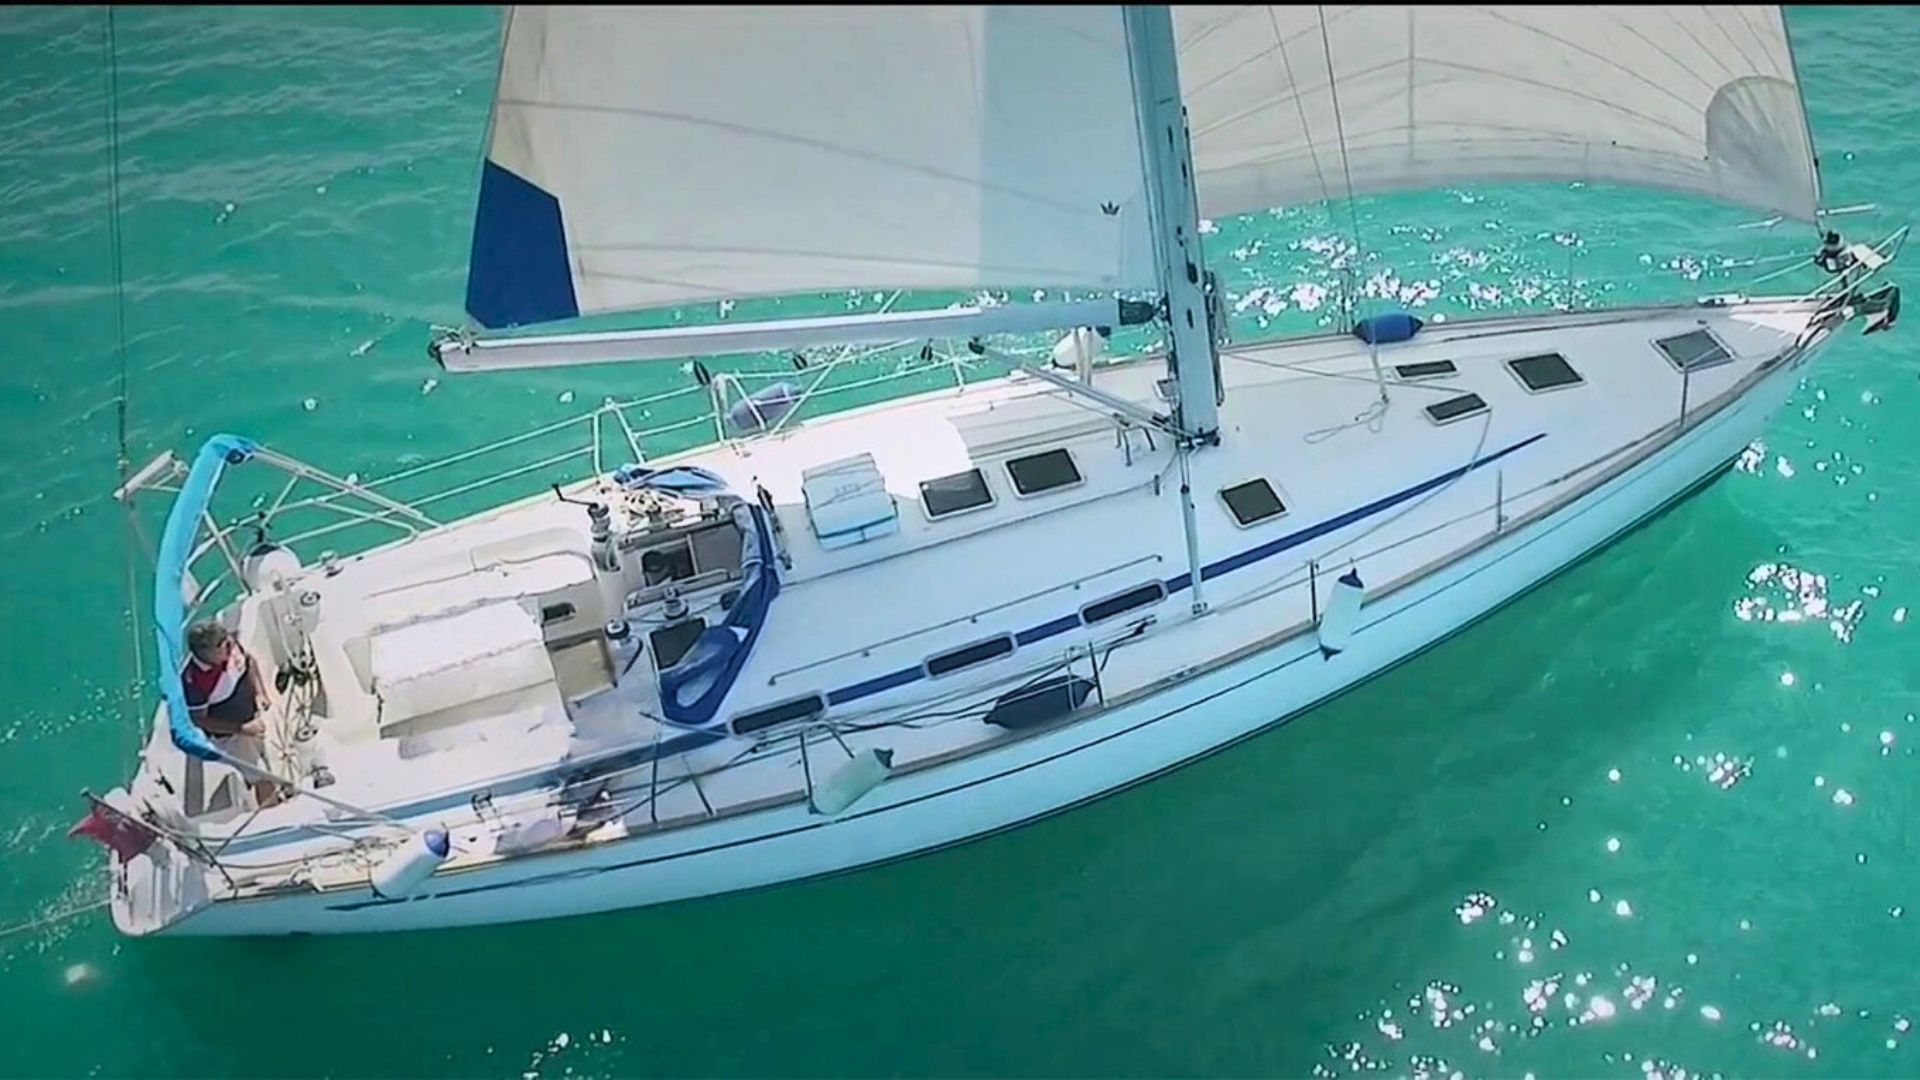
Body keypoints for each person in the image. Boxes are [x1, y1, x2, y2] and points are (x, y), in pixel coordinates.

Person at [182, 620, 281, 807]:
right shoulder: (194, 683)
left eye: (228, 641)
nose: (229, 646)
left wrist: (260, 693)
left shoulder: (230, 646)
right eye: (222, 646)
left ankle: (256, 783)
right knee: (262, 776)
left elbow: (249, 662)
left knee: (270, 756)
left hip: (254, 717)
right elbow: (199, 720)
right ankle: (274, 813)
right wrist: (241, 729)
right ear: (204, 652)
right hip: (231, 735)